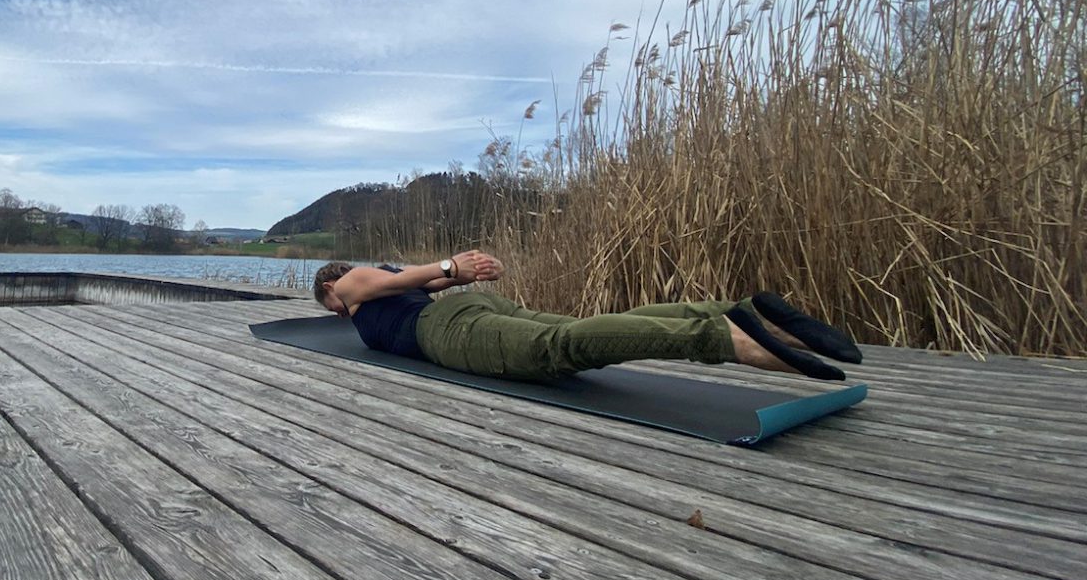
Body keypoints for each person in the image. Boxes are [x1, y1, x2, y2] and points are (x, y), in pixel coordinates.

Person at [313, 252, 862, 382]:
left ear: (330, 287)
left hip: (446, 330)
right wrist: (462, 273)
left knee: (559, 349)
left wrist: (452, 263)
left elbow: (405, 281)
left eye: (329, 306)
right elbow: (426, 282)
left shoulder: (354, 280)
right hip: (470, 309)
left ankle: (723, 337)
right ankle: (735, 311)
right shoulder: (377, 280)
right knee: (574, 329)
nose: (337, 313)